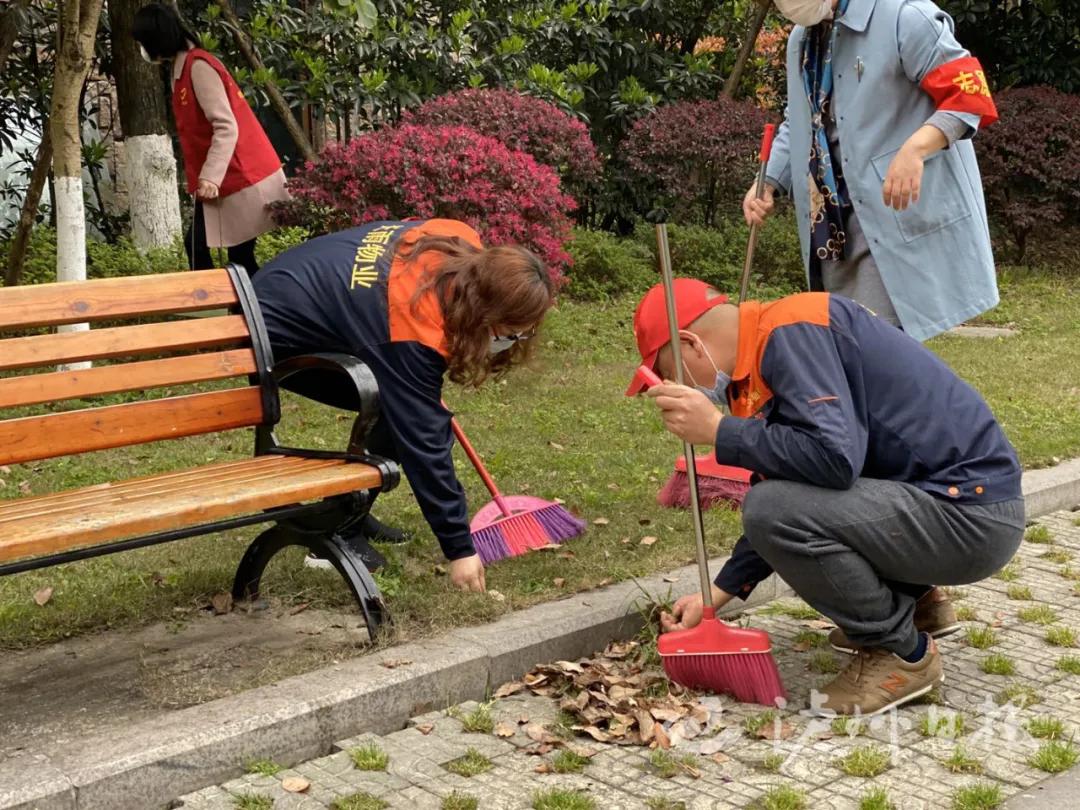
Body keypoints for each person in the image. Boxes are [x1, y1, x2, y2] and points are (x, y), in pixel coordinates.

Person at [627, 279, 1024, 714]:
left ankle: (900, 655)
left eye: (668, 375)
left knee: (770, 509)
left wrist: (723, 431)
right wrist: (717, 595)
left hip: (969, 519)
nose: (675, 391)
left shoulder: (794, 332)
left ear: (690, 345)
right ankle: (919, 608)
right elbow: (801, 486)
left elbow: (832, 462)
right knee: (778, 502)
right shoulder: (773, 347)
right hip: (954, 508)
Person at [253, 218, 555, 592]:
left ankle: (349, 513)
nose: (515, 340)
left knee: (403, 403)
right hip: (271, 333)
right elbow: (425, 444)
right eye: (511, 332)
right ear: (485, 312)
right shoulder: (410, 329)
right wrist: (460, 550)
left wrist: (415, 393)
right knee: (403, 413)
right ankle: (335, 532)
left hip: (300, 289)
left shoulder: (457, 239)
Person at [742, 0, 1000, 341]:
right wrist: (769, 181)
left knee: (881, 347)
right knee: (846, 344)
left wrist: (916, 148)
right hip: (832, 227)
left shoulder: (905, 17)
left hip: (892, 214)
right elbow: (802, 116)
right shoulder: (801, 40)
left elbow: (969, 95)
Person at [133, 2, 289, 277]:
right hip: (227, 179)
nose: (143, 49)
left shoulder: (199, 67)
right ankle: (240, 313)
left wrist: (210, 178)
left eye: (144, 41)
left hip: (242, 176)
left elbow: (226, 126)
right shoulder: (181, 69)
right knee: (218, 253)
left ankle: (253, 312)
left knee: (226, 255)